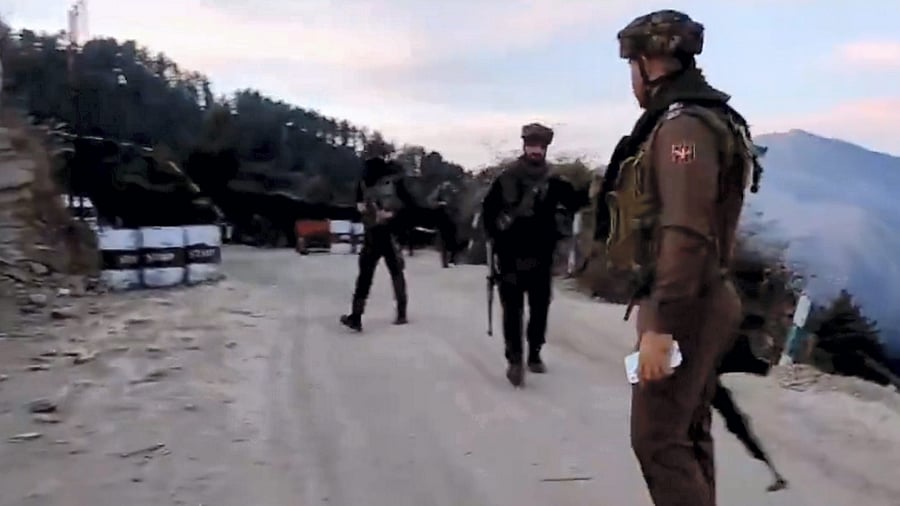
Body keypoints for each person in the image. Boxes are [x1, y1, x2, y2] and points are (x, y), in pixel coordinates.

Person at [603, 10, 763, 506]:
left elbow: (686, 231)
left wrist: (661, 326)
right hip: (697, 296)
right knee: (687, 431)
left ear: (650, 64)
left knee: (657, 439)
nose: (631, 79)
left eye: (632, 66)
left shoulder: (683, 127)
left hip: (685, 302)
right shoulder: (700, 118)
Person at [481, 123, 589, 387]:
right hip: (510, 256)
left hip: (541, 255)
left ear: (546, 148)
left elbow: (575, 202)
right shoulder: (506, 178)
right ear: (524, 146)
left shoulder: (554, 181)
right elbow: (488, 214)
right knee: (512, 311)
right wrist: (496, 240)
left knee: (540, 310)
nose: (535, 151)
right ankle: (515, 360)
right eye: (531, 145)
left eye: (540, 146)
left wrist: (593, 188)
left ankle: (534, 353)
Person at [340, 141, 416, 332]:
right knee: (396, 272)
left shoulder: (364, 180)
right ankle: (401, 313)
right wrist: (394, 216)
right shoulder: (394, 180)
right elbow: (409, 204)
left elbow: (359, 207)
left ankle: (356, 316)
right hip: (390, 232)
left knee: (365, 276)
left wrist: (371, 213)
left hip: (373, 233)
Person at [427, 180, 461, 268]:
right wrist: (440, 204)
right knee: (444, 241)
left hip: (451, 218)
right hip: (442, 218)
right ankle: (445, 261)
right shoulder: (439, 191)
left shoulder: (453, 191)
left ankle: (452, 259)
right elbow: (431, 201)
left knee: (452, 239)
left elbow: (457, 203)